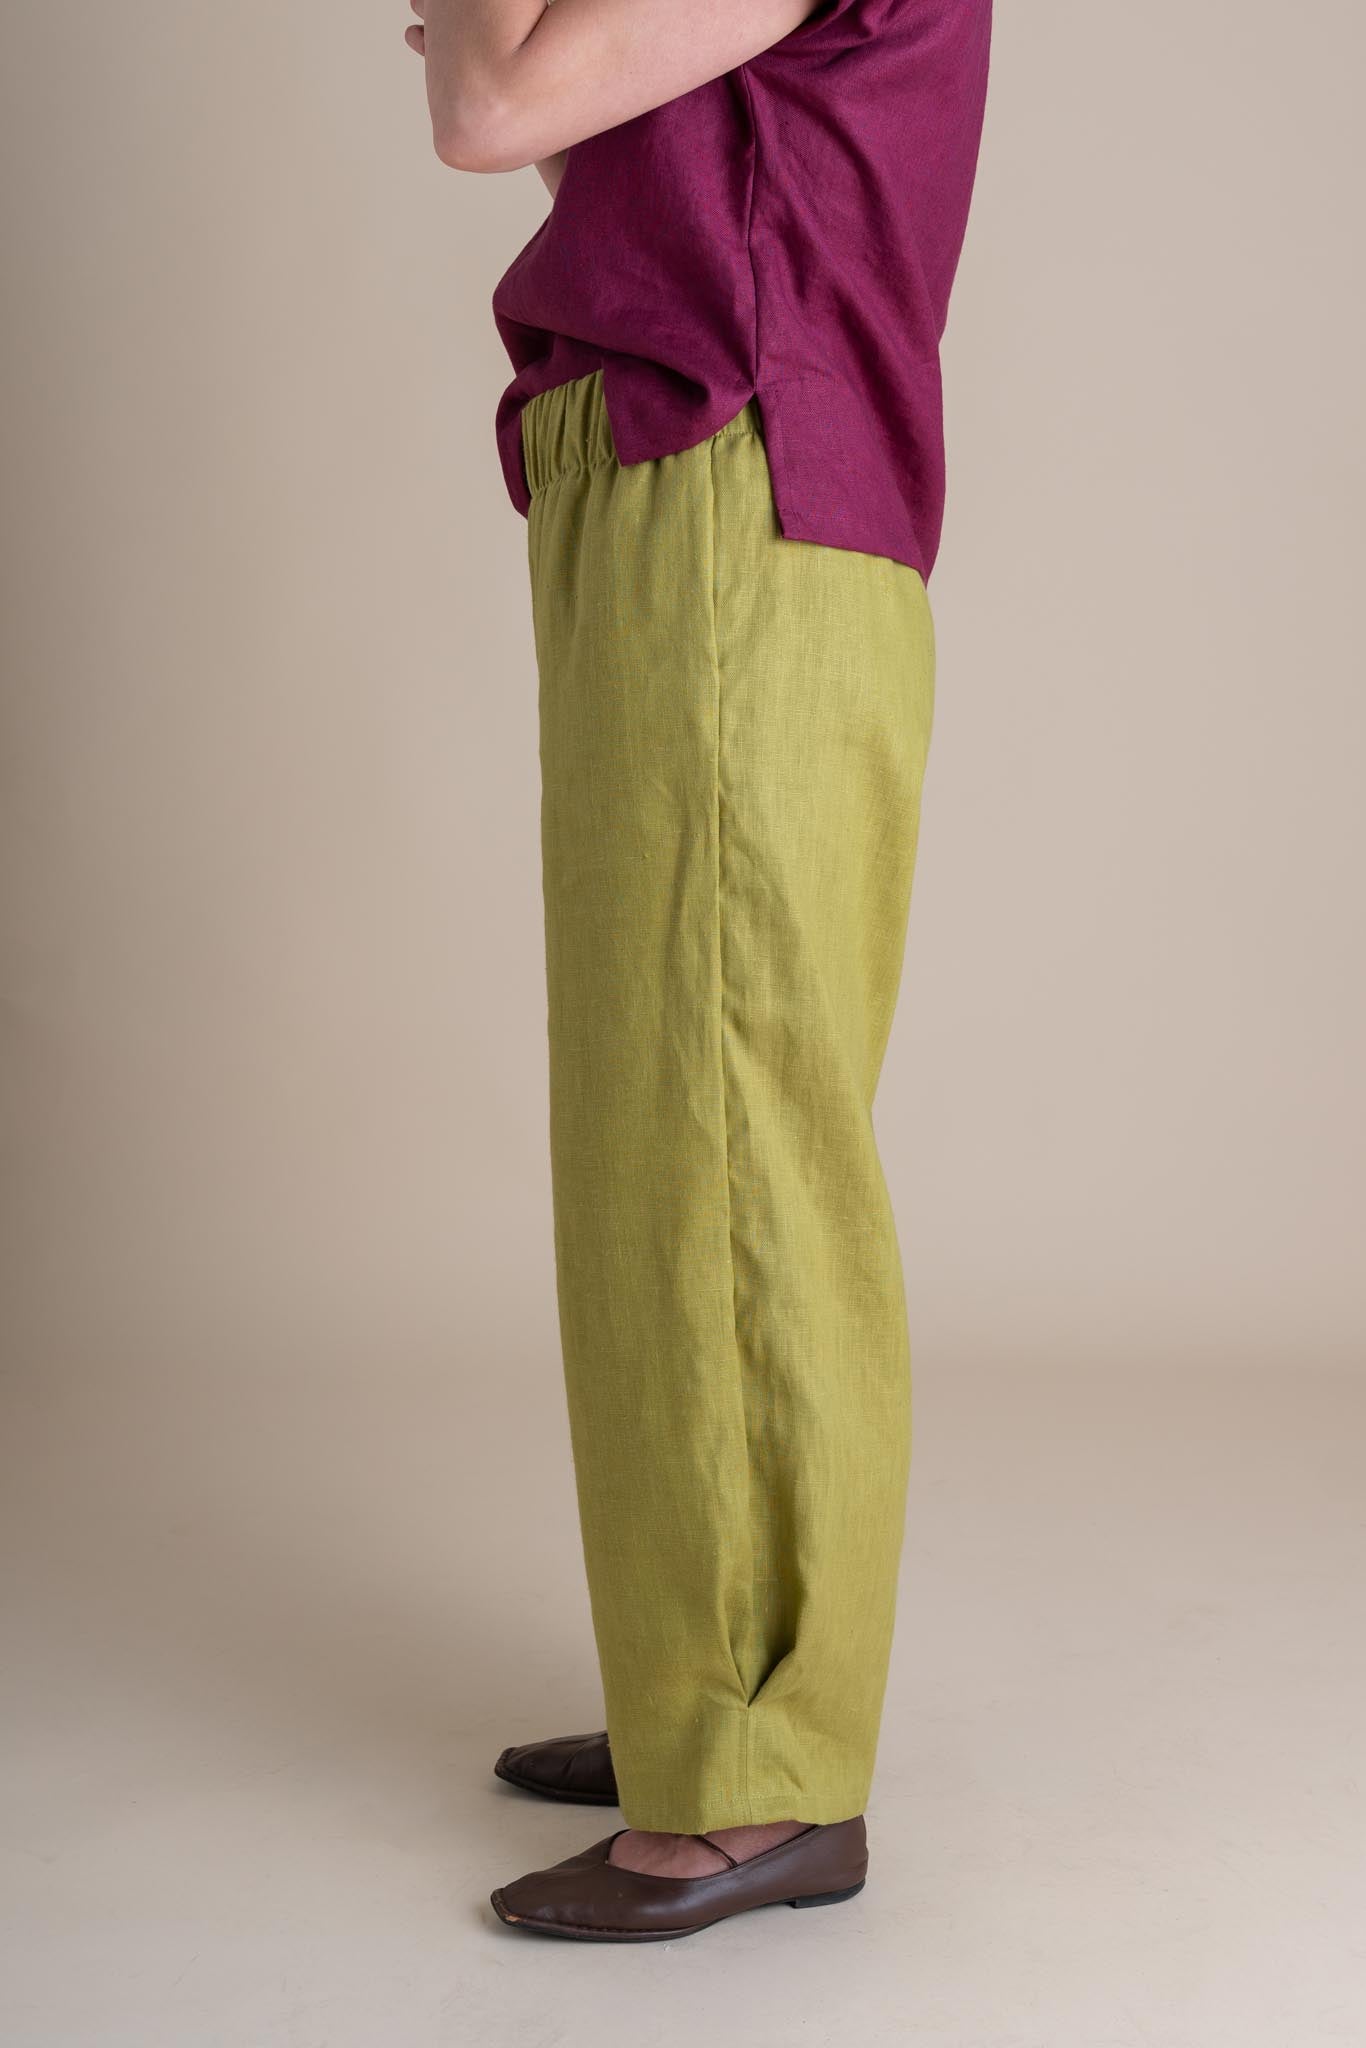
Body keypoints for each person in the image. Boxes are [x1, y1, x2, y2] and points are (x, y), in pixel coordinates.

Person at [406, 0, 991, 1943]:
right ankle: (700, 1684)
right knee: (661, 1133)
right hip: (670, 475)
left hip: (739, 491)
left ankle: (754, 1769)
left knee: (723, 1138)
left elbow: (491, 99)